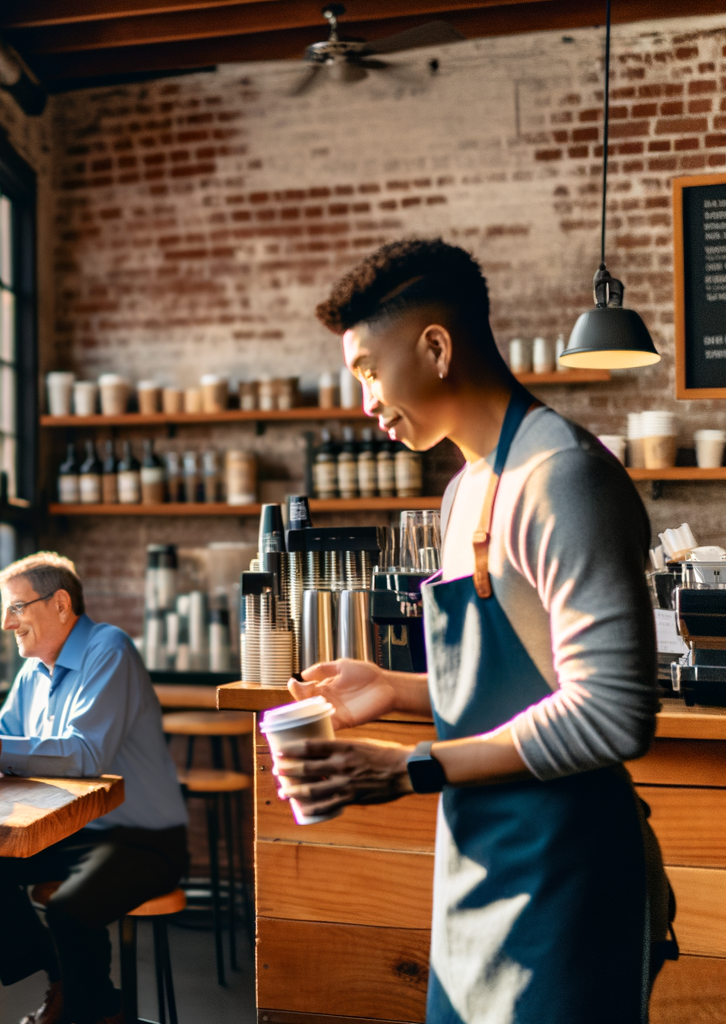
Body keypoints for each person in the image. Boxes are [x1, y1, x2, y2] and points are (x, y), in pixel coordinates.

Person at [275, 238, 671, 1022]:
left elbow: (613, 712)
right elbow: (524, 684)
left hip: (568, 877)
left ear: (435, 347)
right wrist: (396, 687)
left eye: (368, 371)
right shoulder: (463, 494)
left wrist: (410, 768)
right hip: (477, 864)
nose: (366, 402)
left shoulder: (565, 477)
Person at [0, 552, 188, 1024]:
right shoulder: (34, 669)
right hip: (70, 829)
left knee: (70, 909)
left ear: (61, 604)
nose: (8, 624)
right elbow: (5, 732)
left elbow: (86, 754)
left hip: (142, 836)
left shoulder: (109, 649)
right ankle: (66, 982)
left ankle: (95, 1010)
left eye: (17, 608)